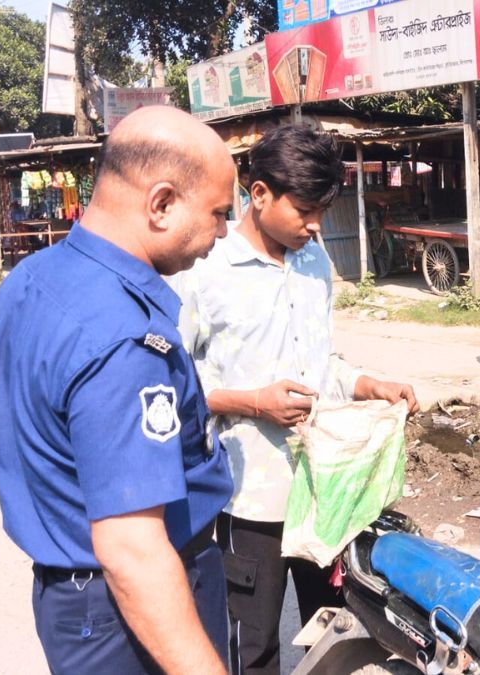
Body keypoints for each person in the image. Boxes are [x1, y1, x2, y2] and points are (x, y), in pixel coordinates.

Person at [0, 106, 235, 674]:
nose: (222, 234)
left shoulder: (32, 278)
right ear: (162, 203)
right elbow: (133, 552)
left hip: (69, 599)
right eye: (218, 213)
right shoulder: (125, 340)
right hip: (130, 609)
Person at [172, 125, 419, 675]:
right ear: (259, 194)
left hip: (324, 491)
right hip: (249, 497)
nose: (315, 226)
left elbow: (322, 364)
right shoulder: (203, 272)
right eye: (306, 210)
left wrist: (368, 384)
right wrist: (253, 402)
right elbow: (170, 387)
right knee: (252, 643)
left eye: (322, 212)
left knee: (332, 633)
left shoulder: (312, 264)